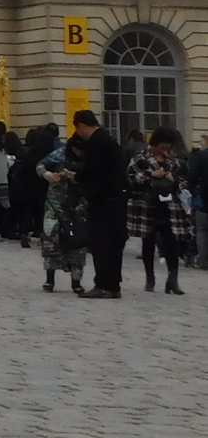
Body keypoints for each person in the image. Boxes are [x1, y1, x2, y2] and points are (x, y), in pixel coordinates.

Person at [72, 108, 128, 298]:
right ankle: (113, 285)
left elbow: (93, 170)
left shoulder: (96, 142)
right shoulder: (109, 139)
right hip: (116, 198)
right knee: (113, 243)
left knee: (101, 242)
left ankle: (103, 284)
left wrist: (77, 176)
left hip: (104, 200)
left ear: (80, 126)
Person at [136, 128, 191, 294]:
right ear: (155, 142)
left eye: (168, 144)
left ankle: (173, 280)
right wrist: (151, 174)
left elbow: (183, 181)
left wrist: (173, 179)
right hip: (149, 206)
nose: (165, 147)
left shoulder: (173, 160)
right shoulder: (141, 158)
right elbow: (132, 177)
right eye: (163, 144)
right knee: (148, 243)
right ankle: (150, 278)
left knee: (171, 243)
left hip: (170, 207)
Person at [40, 146, 86, 294]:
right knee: (51, 241)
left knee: (78, 243)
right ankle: (49, 280)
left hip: (79, 204)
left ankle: (76, 282)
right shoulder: (59, 154)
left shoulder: (90, 156)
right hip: (54, 203)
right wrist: (47, 174)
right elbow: (40, 165)